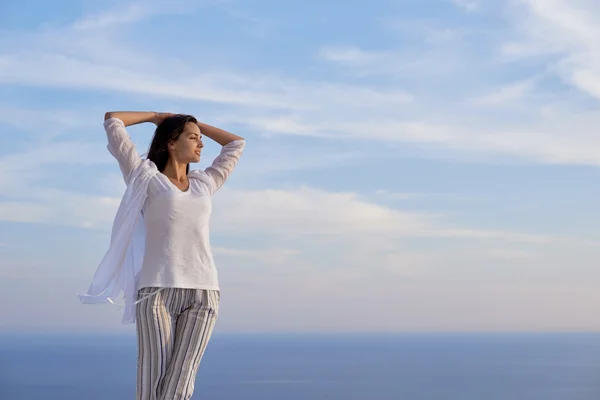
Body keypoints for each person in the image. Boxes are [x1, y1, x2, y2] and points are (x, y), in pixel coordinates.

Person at [79, 111, 245, 400]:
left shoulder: (206, 182)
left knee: (180, 385)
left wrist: (192, 124)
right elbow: (113, 121)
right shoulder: (146, 178)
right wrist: (158, 118)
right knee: (151, 382)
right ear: (171, 142)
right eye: (193, 138)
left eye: (201, 139)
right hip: (156, 293)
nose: (201, 144)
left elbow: (235, 144)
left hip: (204, 294)